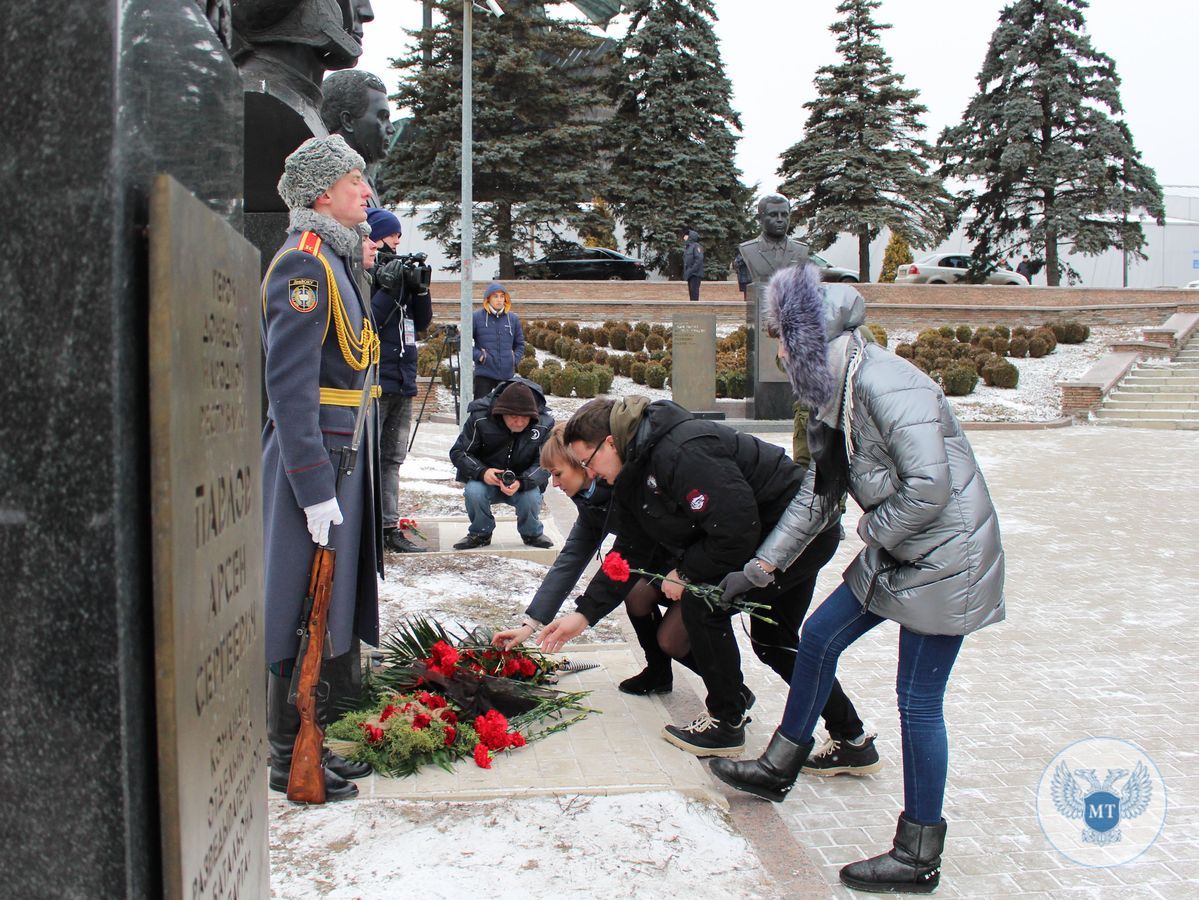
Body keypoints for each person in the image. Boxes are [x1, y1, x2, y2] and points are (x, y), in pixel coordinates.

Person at [710, 264, 1005, 894]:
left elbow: (930, 486)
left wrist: (874, 534)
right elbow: (818, 498)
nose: (779, 353)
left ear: (811, 340)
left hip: (948, 557)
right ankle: (778, 766)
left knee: (918, 702)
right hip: (904, 547)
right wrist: (758, 569)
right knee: (816, 637)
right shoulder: (830, 395)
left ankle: (918, 853)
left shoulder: (886, 384)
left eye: (784, 340)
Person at [561, 397, 875, 762]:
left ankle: (726, 723)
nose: (591, 472)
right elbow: (631, 547)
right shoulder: (636, 467)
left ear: (610, 443)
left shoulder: (679, 451)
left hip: (795, 534)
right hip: (769, 533)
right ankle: (852, 740)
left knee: (703, 604)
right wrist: (583, 615)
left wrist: (688, 571)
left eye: (588, 461)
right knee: (774, 641)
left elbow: (734, 527)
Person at [260, 134, 383, 801]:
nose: (366, 192)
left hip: (343, 455)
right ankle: (286, 754)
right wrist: (310, 487)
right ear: (321, 194)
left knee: (327, 605)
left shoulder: (335, 262)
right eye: (354, 182)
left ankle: (315, 737)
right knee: (295, 605)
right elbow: (290, 385)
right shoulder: (303, 267)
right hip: (317, 462)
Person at [491, 425, 689, 695]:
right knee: (635, 594)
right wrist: (530, 624)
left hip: (692, 564)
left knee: (673, 639)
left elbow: (625, 556)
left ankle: (729, 696)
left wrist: (584, 615)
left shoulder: (626, 490)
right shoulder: (590, 500)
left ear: (585, 465)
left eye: (557, 474)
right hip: (657, 567)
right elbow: (571, 559)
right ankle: (658, 672)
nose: (554, 484)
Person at [366, 207, 433, 554]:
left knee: (392, 459)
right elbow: (370, 321)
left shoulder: (401, 274)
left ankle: (389, 525)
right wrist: (388, 286)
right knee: (369, 458)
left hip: (402, 381)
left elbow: (421, 323)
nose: (396, 240)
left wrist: (419, 288)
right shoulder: (365, 273)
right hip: (375, 383)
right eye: (391, 234)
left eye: (398, 236)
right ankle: (367, 527)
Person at [449, 378, 554, 550]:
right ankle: (480, 533)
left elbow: (546, 463)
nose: (519, 422)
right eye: (513, 417)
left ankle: (532, 533)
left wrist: (522, 482)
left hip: (523, 480)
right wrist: (482, 472)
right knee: (474, 491)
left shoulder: (544, 425)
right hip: (486, 480)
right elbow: (459, 452)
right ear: (501, 412)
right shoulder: (480, 419)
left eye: (525, 418)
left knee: (531, 497)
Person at [320, 70, 395, 204]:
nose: (391, 129)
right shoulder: (331, 182)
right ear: (348, 121)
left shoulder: (360, 176)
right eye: (382, 117)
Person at [471, 282, 525, 400]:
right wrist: (479, 356)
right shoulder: (476, 317)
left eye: (502, 296)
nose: (499, 300)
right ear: (488, 298)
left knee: (504, 411)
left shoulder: (513, 319)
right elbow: (463, 341)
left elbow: (520, 344)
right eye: (495, 296)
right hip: (484, 373)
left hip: (506, 374)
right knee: (480, 410)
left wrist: (514, 359)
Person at [682, 229, 704, 301]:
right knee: (691, 293)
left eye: (686, 235)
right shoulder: (688, 247)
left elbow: (699, 259)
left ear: (690, 237)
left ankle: (695, 310)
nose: (684, 237)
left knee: (694, 293)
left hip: (695, 274)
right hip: (690, 274)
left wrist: (691, 270)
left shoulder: (696, 246)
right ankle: (692, 310)